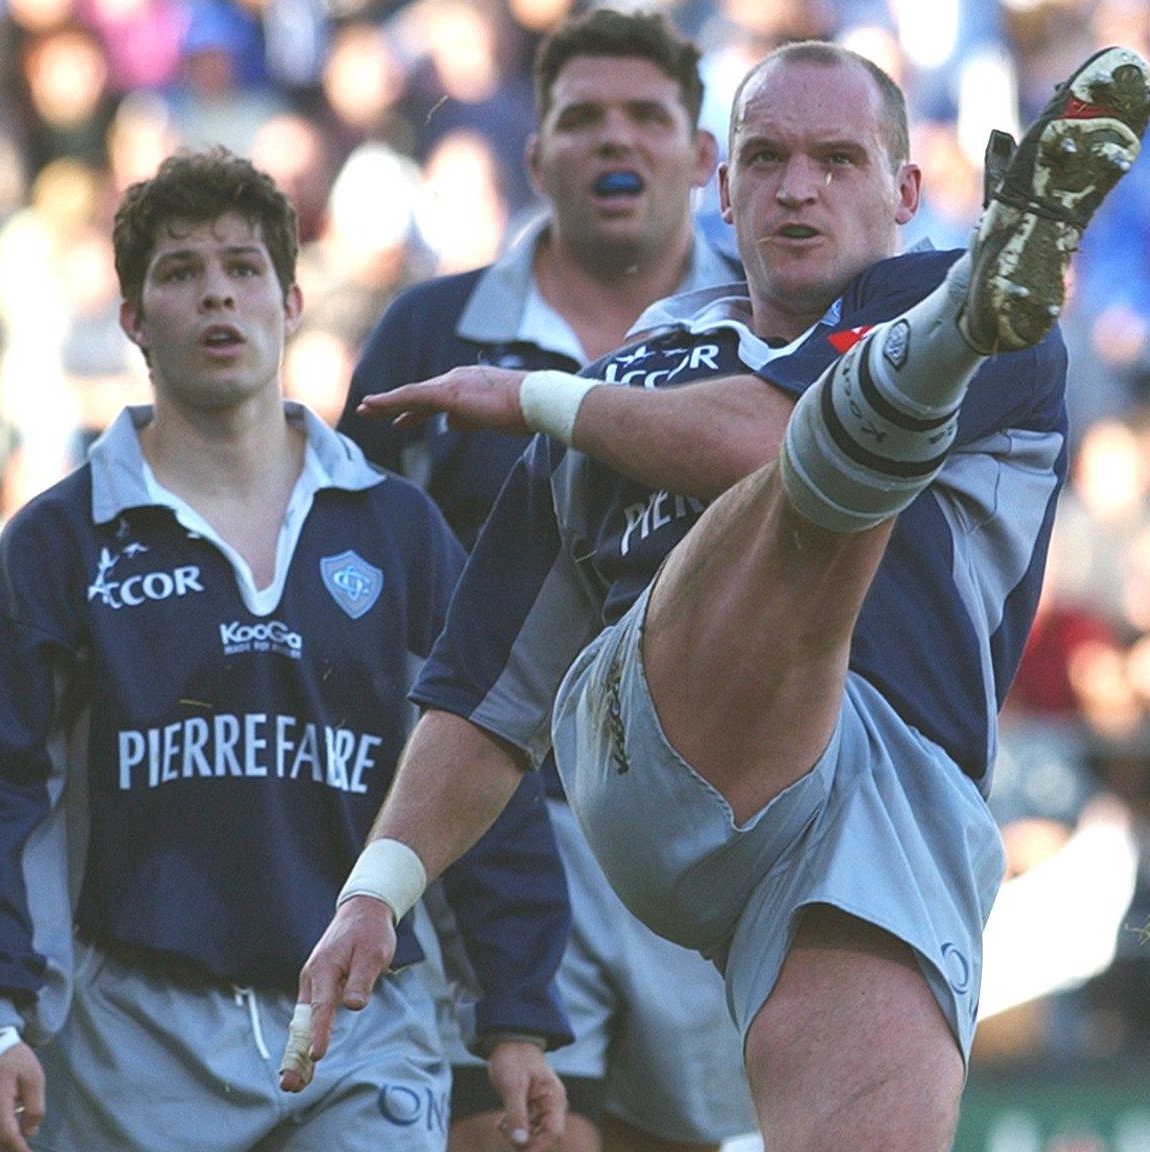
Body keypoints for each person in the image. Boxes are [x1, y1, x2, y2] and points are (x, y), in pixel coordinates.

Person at [285, 40, 1150, 1152]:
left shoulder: (1014, 343)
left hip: (882, 815)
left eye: (838, 158)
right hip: (654, 754)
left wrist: (534, 395)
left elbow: (775, 426)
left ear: (903, 192)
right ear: (723, 187)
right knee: (816, 489)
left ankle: (931, 344)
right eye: (768, 157)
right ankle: (931, 347)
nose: (798, 186)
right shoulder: (649, 361)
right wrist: (376, 890)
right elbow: (486, 686)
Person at [0, 147, 568, 1152]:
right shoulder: (59, 539)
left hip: (365, 1024)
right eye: (180, 273)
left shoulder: (399, 531)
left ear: (292, 297)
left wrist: (518, 1013)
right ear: (132, 319)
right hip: (131, 1038)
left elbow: (481, 763)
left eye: (242, 268)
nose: (216, 295)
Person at [341, 10, 754, 1152]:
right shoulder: (429, 330)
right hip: (503, 827)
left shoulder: (774, 330)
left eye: (644, 116)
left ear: (701, 154)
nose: (612, 140)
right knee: (515, 1136)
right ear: (536, 156)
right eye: (580, 118)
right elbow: (350, 587)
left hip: (721, 832)